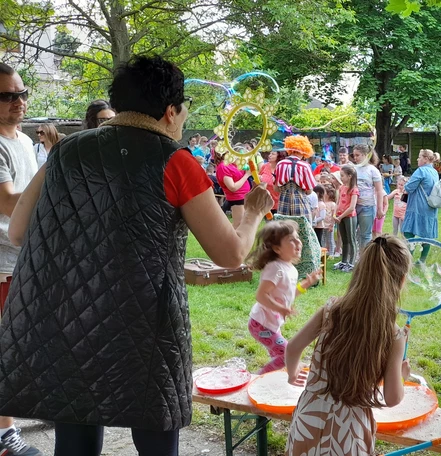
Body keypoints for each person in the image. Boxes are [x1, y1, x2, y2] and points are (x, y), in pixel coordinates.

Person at [0, 55, 273, 456]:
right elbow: (230, 253)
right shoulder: (175, 160)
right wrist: (250, 214)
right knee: (156, 428)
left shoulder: (65, 151)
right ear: (170, 110)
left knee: (75, 434)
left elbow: (20, 232)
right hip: (147, 326)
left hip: (69, 319)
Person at [284, 235, 411, 455]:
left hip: (307, 420)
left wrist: (292, 374)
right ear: (401, 281)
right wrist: (401, 376)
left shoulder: (331, 309)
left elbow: (293, 347)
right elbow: (392, 398)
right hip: (348, 433)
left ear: (359, 272)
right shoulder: (394, 335)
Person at [0, 62, 43, 456]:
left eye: (22, 93)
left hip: (27, 260)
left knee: (21, 345)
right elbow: (11, 202)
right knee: (5, 348)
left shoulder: (26, 143)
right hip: (2, 266)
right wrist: (55, 168)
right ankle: (4, 435)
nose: (19, 102)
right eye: (8, 96)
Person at [246, 221, 320, 374]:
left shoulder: (290, 269)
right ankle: (259, 378)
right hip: (260, 324)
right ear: (277, 248)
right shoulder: (275, 268)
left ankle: (275, 378)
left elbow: (289, 294)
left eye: (297, 237)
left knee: (279, 355)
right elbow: (261, 295)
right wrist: (281, 309)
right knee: (286, 354)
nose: (298, 241)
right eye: (291, 240)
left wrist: (305, 284)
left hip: (271, 324)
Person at [402, 149, 439, 245]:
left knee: (408, 232)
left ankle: (409, 257)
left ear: (426, 159)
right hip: (430, 206)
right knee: (427, 236)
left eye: (419, 157)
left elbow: (409, 188)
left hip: (417, 206)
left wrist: (406, 182)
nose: (417, 159)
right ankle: (422, 259)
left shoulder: (421, 171)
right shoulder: (434, 172)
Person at [275, 135, 316, 221]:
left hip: (283, 202)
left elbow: (276, 188)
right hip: (300, 203)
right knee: (302, 229)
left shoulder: (280, 164)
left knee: (283, 229)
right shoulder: (305, 166)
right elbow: (309, 191)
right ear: (304, 150)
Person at [352, 144, 384, 251]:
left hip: (368, 206)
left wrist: (380, 208)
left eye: (358, 155)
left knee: (365, 234)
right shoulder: (353, 168)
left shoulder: (373, 170)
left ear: (365, 155)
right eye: (354, 155)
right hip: (353, 205)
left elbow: (379, 191)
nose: (355, 158)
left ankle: (364, 257)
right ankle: (353, 258)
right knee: (352, 233)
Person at [216, 151, 251, 228]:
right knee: (239, 224)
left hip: (244, 196)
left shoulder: (232, 165)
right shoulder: (223, 167)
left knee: (244, 223)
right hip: (237, 198)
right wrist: (247, 175)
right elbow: (232, 187)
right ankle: (227, 238)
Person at [333, 165, 358, 272]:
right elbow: (338, 202)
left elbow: (351, 207)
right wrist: (335, 214)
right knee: (345, 240)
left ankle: (351, 263)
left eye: (342, 176)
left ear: (350, 176)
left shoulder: (354, 190)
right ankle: (344, 262)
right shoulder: (342, 187)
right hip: (340, 218)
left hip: (349, 217)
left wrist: (340, 216)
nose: (341, 178)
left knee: (351, 239)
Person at [320, 185, 336, 252]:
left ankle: (331, 253)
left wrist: (332, 225)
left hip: (329, 225)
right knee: (322, 239)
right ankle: (323, 252)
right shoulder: (322, 203)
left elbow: (333, 215)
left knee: (330, 240)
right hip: (322, 225)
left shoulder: (332, 204)